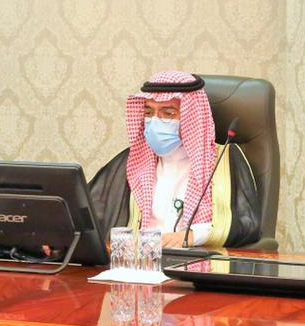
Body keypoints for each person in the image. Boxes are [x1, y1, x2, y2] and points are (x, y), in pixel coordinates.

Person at [88, 70, 261, 248]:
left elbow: (247, 224)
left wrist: (192, 237)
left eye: (168, 113)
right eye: (149, 112)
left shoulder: (223, 160)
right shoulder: (132, 160)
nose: (155, 121)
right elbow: (86, 211)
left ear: (191, 116)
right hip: (142, 260)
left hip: (196, 260)